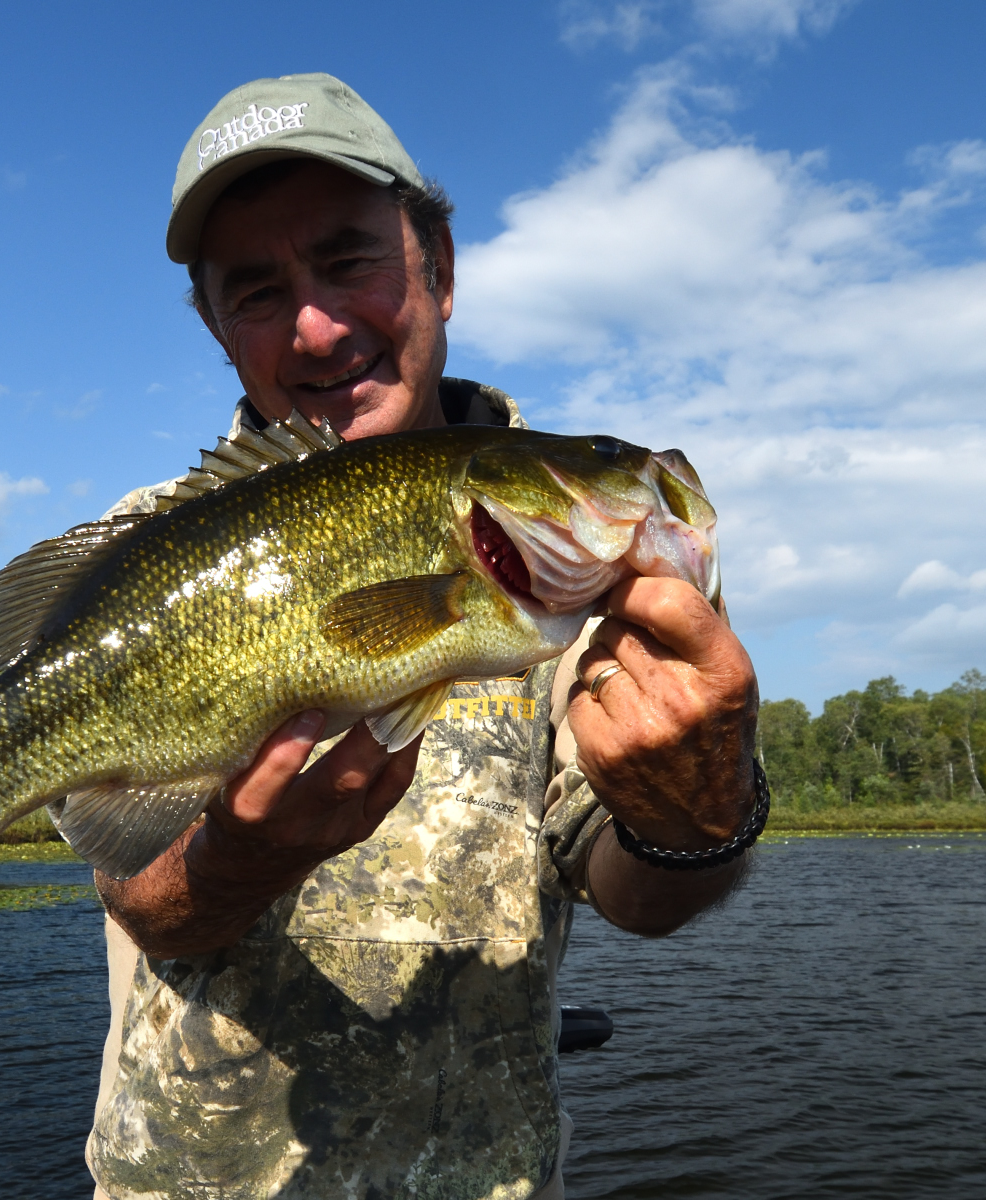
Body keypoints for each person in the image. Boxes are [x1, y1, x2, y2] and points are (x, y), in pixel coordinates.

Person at [82, 73, 761, 1200]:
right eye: (256, 290)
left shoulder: (567, 555)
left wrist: (701, 810)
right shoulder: (145, 550)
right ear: (214, 326)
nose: (315, 324)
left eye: (349, 260)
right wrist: (239, 860)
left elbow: (640, 893)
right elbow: (141, 899)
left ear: (438, 265)